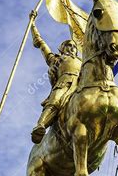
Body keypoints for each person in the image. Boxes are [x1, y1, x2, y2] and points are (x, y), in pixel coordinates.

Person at [30, 10, 81, 144]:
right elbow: (41, 43)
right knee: (55, 100)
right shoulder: (55, 60)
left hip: (82, 84)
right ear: (62, 49)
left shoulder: (83, 61)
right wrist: (33, 24)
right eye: (68, 46)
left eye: (73, 46)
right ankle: (41, 125)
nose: (71, 48)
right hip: (64, 83)